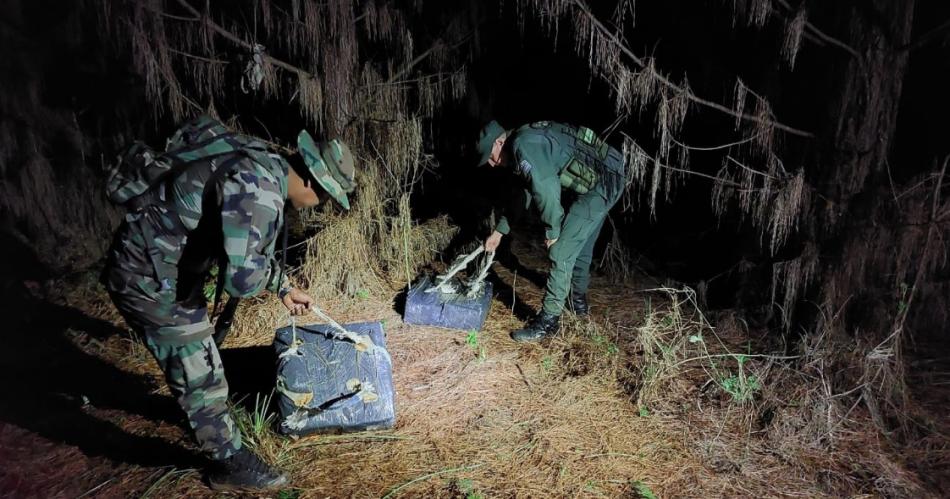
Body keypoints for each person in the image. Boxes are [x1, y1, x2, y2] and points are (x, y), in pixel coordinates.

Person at [102, 115, 357, 491]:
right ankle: (230, 462)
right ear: (309, 179)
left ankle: (203, 416)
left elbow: (237, 244)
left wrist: (283, 286)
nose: (316, 206)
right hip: (147, 271)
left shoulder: (264, 162)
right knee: (197, 363)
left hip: (166, 264)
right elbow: (240, 279)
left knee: (198, 357)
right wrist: (263, 270)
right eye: (322, 197)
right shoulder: (261, 189)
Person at [475, 120, 626, 342]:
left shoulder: (523, 146)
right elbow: (523, 195)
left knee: (561, 251)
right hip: (608, 176)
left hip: (602, 183)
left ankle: (548, 322)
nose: (491, 164)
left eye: (489, 155)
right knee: (581, 245)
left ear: (499, 142)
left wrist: (552, 232)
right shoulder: (524, 140)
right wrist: (499, 233)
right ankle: (578, 304)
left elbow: (546, 189)